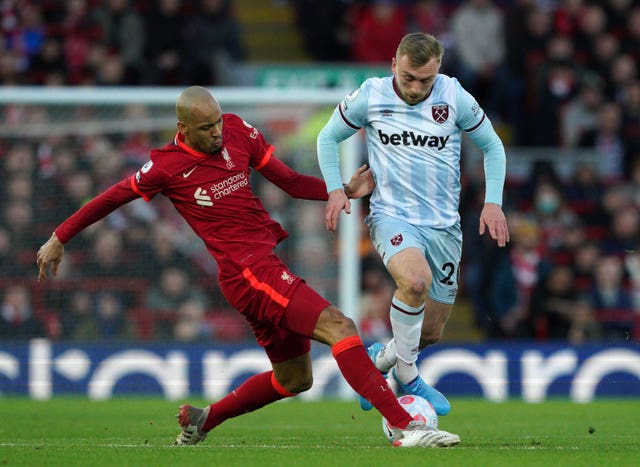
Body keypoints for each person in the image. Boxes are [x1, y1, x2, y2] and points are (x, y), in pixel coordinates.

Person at [36, 86, 460, 448]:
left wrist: (340, 189)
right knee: (340, 326)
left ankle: (204, 420)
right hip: (247, 273)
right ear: (183, 128)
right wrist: (60, 237)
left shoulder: (238, 132)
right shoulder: (165, 166)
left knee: (295, 379)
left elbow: (289, 182)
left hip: (260, 268)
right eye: (207, 128)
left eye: (218, 122)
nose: (218, 132)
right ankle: (405, 426)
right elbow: (110, 197)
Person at [317, 33, 509, 416]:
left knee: (432, 331)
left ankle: (383, 357)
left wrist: (493, 203)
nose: (417, 88)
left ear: (438, 70)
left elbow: (493, 146)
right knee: (415, 282)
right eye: (408, 78)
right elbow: (327, 138)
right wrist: (335, 189)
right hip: (392, 216)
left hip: (444, 227)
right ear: (394, 65)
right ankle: (407, 376)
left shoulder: (454, 97)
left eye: (426, 80)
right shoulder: (370, 96)